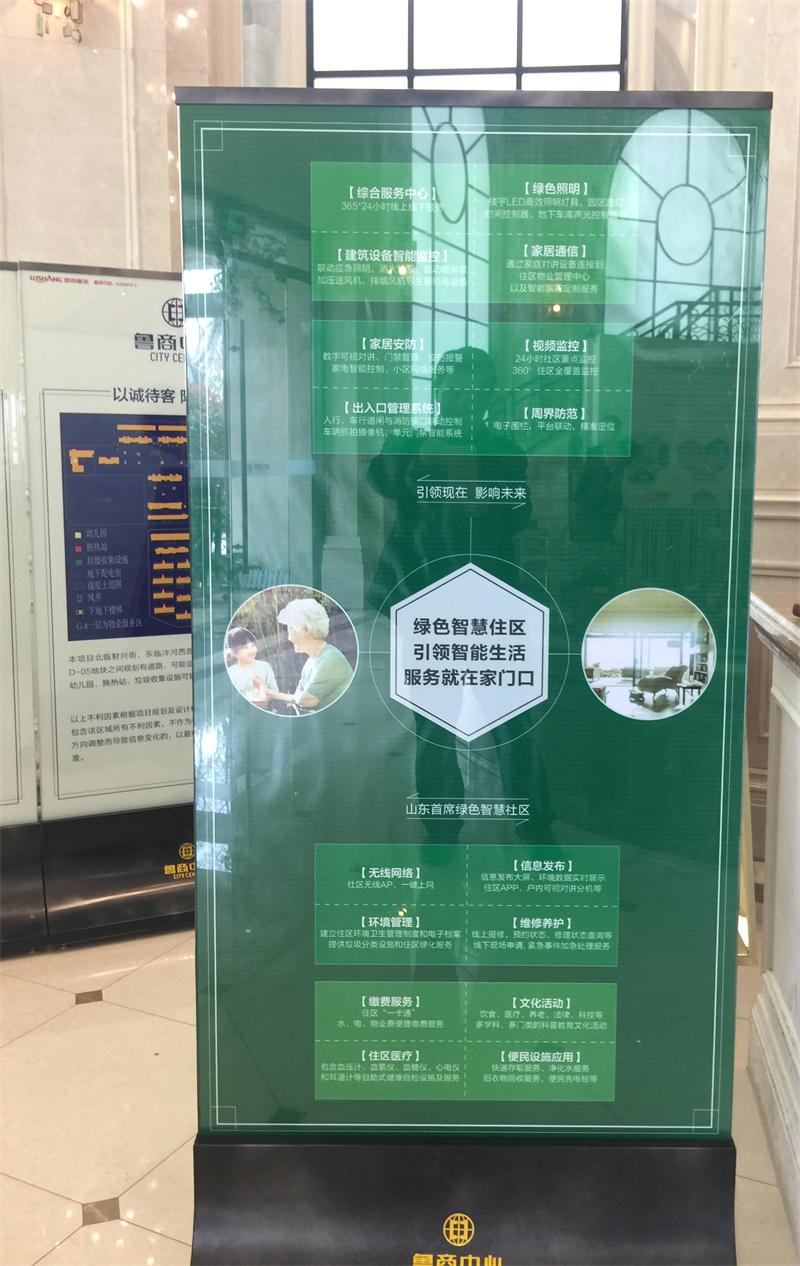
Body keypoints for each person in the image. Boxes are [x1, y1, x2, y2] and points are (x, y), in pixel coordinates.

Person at [255, 597, 353, 713]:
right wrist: (267, 692)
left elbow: (306, 700)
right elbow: (297, 697)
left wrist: (271, 693)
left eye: (291, 629)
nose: (289, 638)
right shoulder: (312, 661)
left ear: (306, 630)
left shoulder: (331, 660)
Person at [225, 626, 277, 700]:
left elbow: (275, 692)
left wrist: (262, 691)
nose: (251, 651)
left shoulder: (264, 666)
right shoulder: (230, 673)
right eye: (245, 648)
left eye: (253, 646)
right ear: (234, 652)